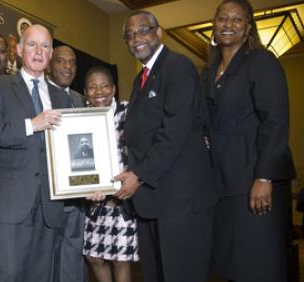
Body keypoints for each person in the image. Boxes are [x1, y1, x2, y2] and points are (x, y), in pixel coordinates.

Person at [114, 11, 217, 282]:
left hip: (180, 200)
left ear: (158, 33)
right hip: (152, 200)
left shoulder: (178, 66)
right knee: (156, 274)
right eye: (129, 35)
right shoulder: (141, 78)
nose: (136, 39)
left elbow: (175, 131)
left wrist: (137, 175)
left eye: (143, 31)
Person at [202, 1, 296, 281]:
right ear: (214, 24)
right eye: (223, 18)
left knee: (259, 263)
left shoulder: (261, 61)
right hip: (222, 183)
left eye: (237, 20)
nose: (228, 24)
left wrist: (264, 177)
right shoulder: (208, 70)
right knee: (233, 265)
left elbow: (276, 121)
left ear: (248, 28)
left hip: (254, 181)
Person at [0, 24, 71, 282]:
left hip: (50, 206)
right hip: (9, 205)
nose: (39, 51)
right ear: (18, 50)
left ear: (51, 53)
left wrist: (89, 183)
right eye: (32, 44)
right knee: (8, 275)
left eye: (45, 46)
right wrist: (31, 125)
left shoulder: (62, 98)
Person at [82, 66, 138, 282]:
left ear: (113, 88)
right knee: (92, 255)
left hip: (122, 195)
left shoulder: (129, 111)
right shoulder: (79, 118)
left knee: (120, 259)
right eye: (92, 87)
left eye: (104, 85)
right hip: (93, 198)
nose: (99, 92)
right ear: (85, 92)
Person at [48, 44, 87, 282]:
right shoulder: (38, 95)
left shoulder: (80, 99)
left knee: (74, 255)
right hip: (49, 194)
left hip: (78, 195)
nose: (67, 67)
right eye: (61, 61)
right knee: (50, 256)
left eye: (72, 62)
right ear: (50, 64)